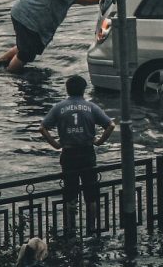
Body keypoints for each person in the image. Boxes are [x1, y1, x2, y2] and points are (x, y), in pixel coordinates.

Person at [39, 75, 116, 236]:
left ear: (67, 89)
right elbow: (110, 124)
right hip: (87, 152)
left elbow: (43, 128)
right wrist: (100, 141)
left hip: (69, 153)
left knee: (70, 194)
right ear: (84, 89)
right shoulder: (91, 107)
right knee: (91, 194)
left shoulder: (59, 107)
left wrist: (55, 144)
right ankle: (92, 229)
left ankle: (70, 230)